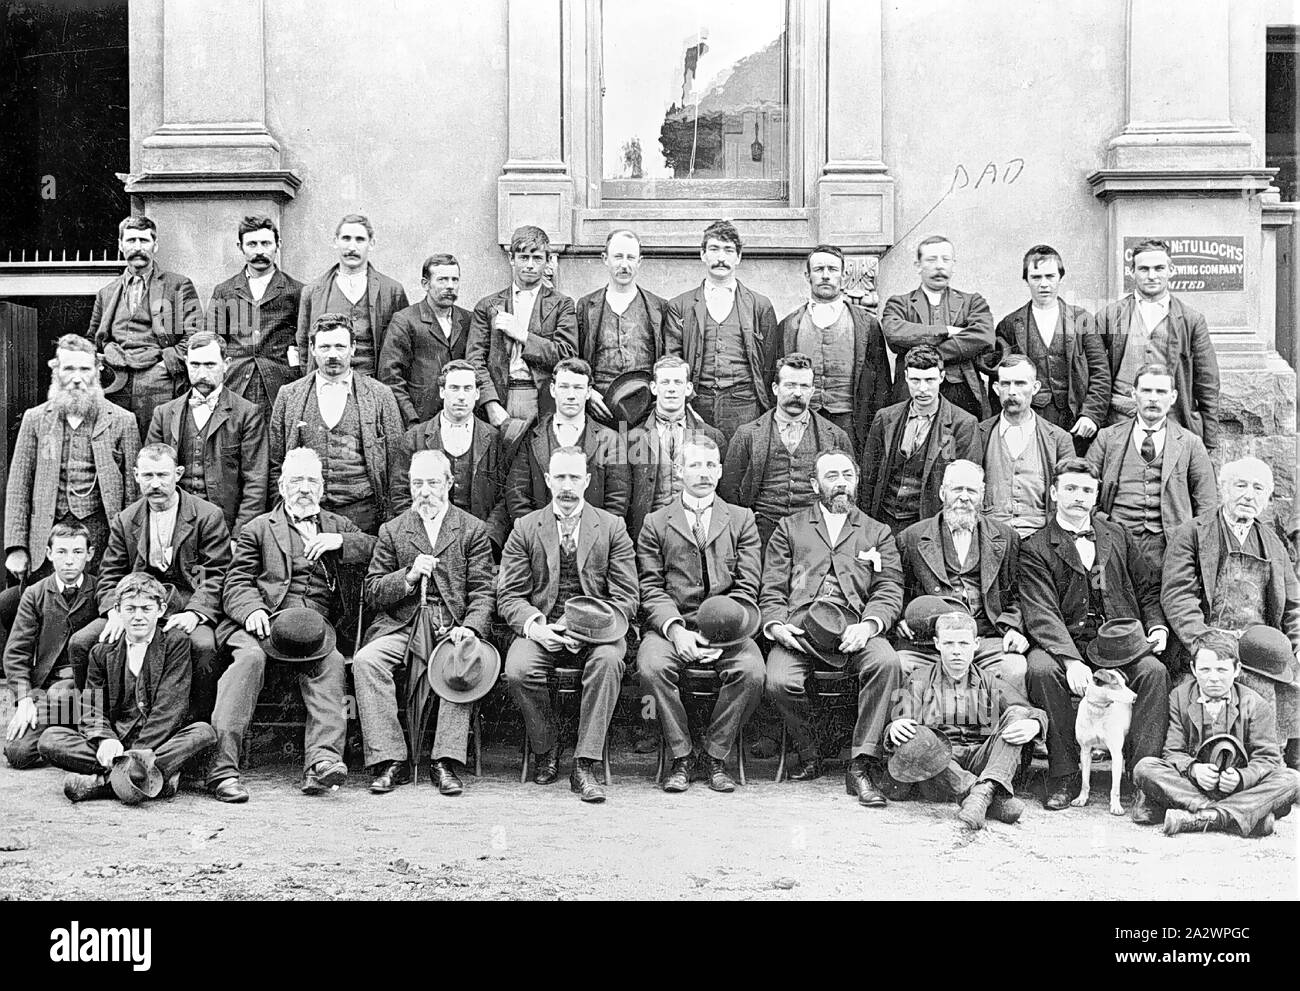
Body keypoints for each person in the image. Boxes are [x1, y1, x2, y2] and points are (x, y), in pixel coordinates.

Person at [207, 448, 377, 802]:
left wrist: (342, 541)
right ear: (282, 486)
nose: (304, 488)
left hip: (315, 634)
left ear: (323, 487)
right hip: (263, 625)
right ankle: (222, 770)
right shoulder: (259, 528)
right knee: (249, 660)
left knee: (330, 665)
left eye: (312, 480)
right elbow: (236, 583)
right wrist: (251, 609)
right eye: (296, 480)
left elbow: (377, 548)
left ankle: (322, 764)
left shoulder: (336, 525)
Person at [1020, 458, 1171, 817]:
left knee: (1153, 672)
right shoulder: (1036, 547)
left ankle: (1142, 779)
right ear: (1054, 493)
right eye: (1070, 489)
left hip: (1118, 642)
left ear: (1096, 496)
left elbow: (1148, 587)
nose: (1079, 497)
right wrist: (1070, 660)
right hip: (1065, 642)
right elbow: (1041, 611)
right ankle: (1064, 775)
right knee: (1042, 671)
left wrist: (1157, 626)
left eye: (1087, 490)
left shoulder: (1116, 535)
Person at [497, 446, 639, 803]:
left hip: (600, 629)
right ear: (547, 480)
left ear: (588, 481)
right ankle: (547, 748)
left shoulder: (612, 527)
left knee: (607, 663)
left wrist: (584, 630)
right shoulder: (525, 528)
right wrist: (537, 627)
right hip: (545, 625)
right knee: (519, 668)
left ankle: (584, 763)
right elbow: (509, 596)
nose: (567, 485)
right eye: (559, 476)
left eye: (575, 476)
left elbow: (626, 596)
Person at [761, 449, 903, 803]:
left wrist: (870, 625)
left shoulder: (877, 531)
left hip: (854, 629)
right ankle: (811, 752)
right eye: (831, 476)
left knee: (886, 663)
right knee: (779, 681)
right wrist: (777, 626)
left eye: (847, 476)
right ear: (814, 484)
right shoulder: (789, 528)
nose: (841, 484)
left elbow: (889, 588)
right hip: (801, 631)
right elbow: (772, 587)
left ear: (856, 481)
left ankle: (860, 766)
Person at [353, 450, 497, 796]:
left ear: (449, 483)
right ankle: (390, 760)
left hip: (451, 626)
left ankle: (444, 761)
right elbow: (372, 590)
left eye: (433, 482)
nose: (425, 491)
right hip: (402, 624)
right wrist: (409, 575)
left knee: (462, 659)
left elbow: (482, 591)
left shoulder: (471, 530)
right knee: (366, 662)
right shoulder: (394, 530)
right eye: (418, 483)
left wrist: (472, 628)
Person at [636, 433, 765, 793]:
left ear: (721, 470)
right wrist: (677, 631)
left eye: (711, 465)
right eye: (694, 464)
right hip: (673, 625)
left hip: (729, 629)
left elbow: (747, 585)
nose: (703, 472)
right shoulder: (656, 522)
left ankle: (715, 754)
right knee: (651, 667)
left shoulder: (741, 520)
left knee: (752, 671)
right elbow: (650, 587)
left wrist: (721, 633)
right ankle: (681, 755)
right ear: (678, 470)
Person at [70, 443, 230, 721]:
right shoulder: (126, 519)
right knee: (81, 643)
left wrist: (196, 612)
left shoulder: (207, 516)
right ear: (135, 476)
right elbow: (110, 574)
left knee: (204, 647)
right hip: (135, 606)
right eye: (148, 476)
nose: (155, 484)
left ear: (178, 474)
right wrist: (115, 612)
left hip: (184, 605)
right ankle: (99, 723)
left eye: (162, 475)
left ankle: (194, 724)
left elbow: (212, 573)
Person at [1161, 457, 1300, 767]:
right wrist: (1203, 642)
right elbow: (1177, 594)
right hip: (1207, 642)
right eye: (1240, 485)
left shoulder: (1273, 544)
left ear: (1267, 497)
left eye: (1258, 488)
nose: (1248, 495)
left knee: (1285, 681)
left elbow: (1293, 605)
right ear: (1223, 489)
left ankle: (1278, 766)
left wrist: (1297, 645)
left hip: (1259, 648)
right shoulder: (1193, 533)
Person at [1, 336, 140, 647]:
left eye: (84, 369)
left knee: (94, 617)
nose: (77, 377)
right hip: (46, 537)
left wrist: (131, 551)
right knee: (43, 617)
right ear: (56, 371)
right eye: (69, 369)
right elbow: (19, 486)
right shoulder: (36, 419)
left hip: (102, 536)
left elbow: (134, 496)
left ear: (97, 371)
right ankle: (45, 682)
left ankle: (82, 681)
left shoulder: (122, 421)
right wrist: (16, 548)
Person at [38, 573, 216, 803]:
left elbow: (170, 707)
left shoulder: (175, 643)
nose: (138, 617)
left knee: (204, 733)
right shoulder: (102, 652)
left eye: (146, 609)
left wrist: (137, 752)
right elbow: (92, 709)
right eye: (130, 609)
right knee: (50, 739)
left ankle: (103, 784)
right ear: (118, 610)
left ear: (161, 610)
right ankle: (150, 780)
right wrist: (105, 739)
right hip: (118, 743)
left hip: (157, 742)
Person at [883, 612, 1046, 830]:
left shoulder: (989, 681)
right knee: (914, 736)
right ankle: (986, 795)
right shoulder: (919, 679)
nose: (957, 651)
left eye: (963, 643)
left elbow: (1029, 711)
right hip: (940, 767)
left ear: (976, 644)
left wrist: (1034, 724)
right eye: (949, 643)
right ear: (937, 644)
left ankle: (982, 791)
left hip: (983, 760)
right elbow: (901, 723)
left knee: (1018, 715)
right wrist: (896, 726)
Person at [1134, 632, 1299, 837]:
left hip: (1239, 789)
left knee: (1292, 779)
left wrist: (1241, 777)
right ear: (1193, 669)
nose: (1213, 678)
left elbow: (1268, 759)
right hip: (1194, 788)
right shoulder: (1179, 697)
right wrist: (1194, 770)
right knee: (1145, 767)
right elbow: (1173, 751)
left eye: (1222, 670)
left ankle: (1204, 817)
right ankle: (1239, 815)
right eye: (1205, 670)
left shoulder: (1256, 704)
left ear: (1237, 670)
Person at [895, 460, 1029, 687]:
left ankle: (1007, 723)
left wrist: (1014, 628)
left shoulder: (1006, 538)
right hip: (928, 643)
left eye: (972, 491)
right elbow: (899, 589)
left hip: (986, 640)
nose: (964, 497)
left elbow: (1018, 594)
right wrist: (901, 619)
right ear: (942, 492)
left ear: (982, 495)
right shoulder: (911, 538)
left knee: (1014, 668)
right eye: (957, 489)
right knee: (899, 665)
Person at [270, 313, 405, 534]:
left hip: (364, 514)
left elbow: (397, 464)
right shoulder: (289, 395)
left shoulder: (380, 395)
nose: (333, 355)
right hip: (306, 513)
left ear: (353, 348)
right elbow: (276, 463)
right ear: (312, 348)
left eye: (340, 347)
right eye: (325, 347)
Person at [1085, 362, 1216, 568]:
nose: (1153, 398)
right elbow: (1085, 487)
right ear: (1133, 394)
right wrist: (1103, 521)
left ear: (1172, 398)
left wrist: (1193, 544)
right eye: (1146, 390)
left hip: (1168, 545)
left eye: (1161, 391)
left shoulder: (1190, 444)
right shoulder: (1108, 438)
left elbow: (1206, 504)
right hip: (1115, 539)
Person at [1096, 238, 1220, 451]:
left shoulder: (1190, 320)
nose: (1151, 276)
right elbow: (1094, 372)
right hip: (1119, 418)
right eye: (1144, 269)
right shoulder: (1110, 316)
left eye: (1159, 268)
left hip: (1171, 420)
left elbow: (1207, 381)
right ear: (1132, 272)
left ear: (1171, 270)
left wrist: (1209, 437)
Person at [719, 353, 851, 549]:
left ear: (812, 390)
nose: (797, 393)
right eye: (790, 385)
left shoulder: (835, 436)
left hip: (817, 533)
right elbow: (729, 493)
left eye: (804, 386)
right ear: (775, 388)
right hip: (761, 533)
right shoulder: (747, 435)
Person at [88, 215, 203, 437]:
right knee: (116, 444)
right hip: (115, 380)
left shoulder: (177, 285)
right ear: (121, 245)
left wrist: (165, 367)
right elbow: (94, 337)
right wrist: (104, 356)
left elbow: (195, 334)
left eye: (144, 240)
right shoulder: (107, 292)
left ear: (155, 245)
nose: (138, 247)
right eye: (131, 241)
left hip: (159, 381)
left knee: (158, 444)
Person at [665, 220, 778, 446]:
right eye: (714, 249)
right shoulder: (681, 305)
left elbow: (770, 361)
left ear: (738, 257)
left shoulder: (759, 305)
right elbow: (673, 359)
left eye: (728, 250)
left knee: (739, 469)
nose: (721, 258)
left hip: (744, 404)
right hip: (697, 403)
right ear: (702, 254)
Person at [146, 331, 269, 540]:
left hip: (224, 529)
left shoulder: (247, 414)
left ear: (226, 363)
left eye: (210, 365)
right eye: (195, 365)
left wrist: (239, 538)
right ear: (185, 363)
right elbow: (150, 475)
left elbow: (255, 484)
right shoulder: (164, 414)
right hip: (173, 527)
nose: (202, 373)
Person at [986, 244, 1109, 449]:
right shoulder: (1010, 324)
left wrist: (1091, 415)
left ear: (1060, 277)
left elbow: (1101, 373)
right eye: (1036, 277)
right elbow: (1000, 380)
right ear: (1026, 280)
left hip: (1075, 420)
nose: (1044, 284)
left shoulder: (1082, 319)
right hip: (1030, 420)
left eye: (1050, 276)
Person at [772, 244, 892, 451]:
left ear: (843, 276)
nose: (825, 276)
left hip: (851, 424)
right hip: (802, 420)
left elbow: (881, 385)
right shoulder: (789, 325)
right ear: (807, 276)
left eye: (832, 269)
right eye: (818, 270)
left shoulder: (867, 325)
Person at [466, 225, 577, 440]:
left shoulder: (562, 304)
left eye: (537, 258)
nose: (529, 265)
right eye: (523, 257)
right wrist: (490, 403)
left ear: (547, 261)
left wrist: (522, 334)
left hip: (543, 399)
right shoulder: (488, 305)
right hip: (500, 397)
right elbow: (474, 360)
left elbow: (567, 355)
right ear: (511, 259)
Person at [2, 523, 99, 768]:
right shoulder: (35, 594)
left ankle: (70, 731)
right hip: (46, 689)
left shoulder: (99, 591)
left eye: (77, 552)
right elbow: (16, 653)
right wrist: (24, 700)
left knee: (63, 694)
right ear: (48, 553)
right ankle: (65, 731)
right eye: (61, 552)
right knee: (18, 753)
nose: (69, 561)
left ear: (90, 554)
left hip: (88, 690)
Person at [391, 359, 510, 555]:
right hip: (426, 544)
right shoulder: (416, 438)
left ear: (478, 393)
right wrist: (423, 538)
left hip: (478, 545)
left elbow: (504, 498)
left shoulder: (494, 439)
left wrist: (485, 540)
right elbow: (399, 495)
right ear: (442, 392)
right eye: (454, 388)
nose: (461, 396)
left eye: (468, 388)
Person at [859, 344, 980, 535]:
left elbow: (966, 485)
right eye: (915, 380)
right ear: (906, 377)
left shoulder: (963, 424)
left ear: (941, 377)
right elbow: (868, 477)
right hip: (884, 520)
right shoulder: (885, 417)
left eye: (930, 380)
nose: (922, 389)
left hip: (929, 524)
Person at [881, 235, 995, 420]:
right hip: (913, 394)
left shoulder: (972, 302)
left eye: (945, 259)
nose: (939, 266)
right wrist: (947, 331)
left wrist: (924, 354)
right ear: (918, 265)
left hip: (962, 393)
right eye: (931, 259)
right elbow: (895, 333)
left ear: (953, 265)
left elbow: (984, 336)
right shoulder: (899, 304)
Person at [503, 357, 630, 520]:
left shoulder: (610, 440)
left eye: (578, 388)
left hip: (593, 538)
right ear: (552, 389)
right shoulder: (532, 436)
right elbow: (517, 497)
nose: (571, 395)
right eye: (564, 387)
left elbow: (617, 502)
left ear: (589, 392)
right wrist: (539, 537)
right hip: (540, 538)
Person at [204, 215, 305, 419]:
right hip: (236, 383)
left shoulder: (297, 291)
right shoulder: (224, 291)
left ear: (278, 245)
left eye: (266, 243)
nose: (259, 251)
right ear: (240, 246)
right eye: (252, 244)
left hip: (279, 385)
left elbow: (304, 341)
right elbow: (213, 342)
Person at [296, 213, 409, 378]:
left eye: (360, 240)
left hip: (376, 385)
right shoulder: (313, 291)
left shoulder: (392, 290)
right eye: (346, 238)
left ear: (371, 244)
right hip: (328, 382)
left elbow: (402, 346)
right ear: (335, 241)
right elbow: (304, 345)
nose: (352, 247)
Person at [575, 229, 671, 422]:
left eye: (630, 257)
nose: (624, 265)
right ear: (605, 258)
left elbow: (668, 359)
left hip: (647, 410)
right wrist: (588, 392)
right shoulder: (587, 306)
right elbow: (575, 359)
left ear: (639, 261)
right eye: (618, 257)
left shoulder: (658, 307)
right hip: (598, 410)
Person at [625, 354, 723, 542]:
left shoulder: (711, 436)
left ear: (688, 388)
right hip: (650, 534)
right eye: (665, 382)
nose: (671, 389)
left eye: (678, 382)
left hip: (695, 533)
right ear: (654, 388)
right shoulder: (631, 439)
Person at [977, 353, 1075, 539]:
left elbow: (1068, 495)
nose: (1012, 391)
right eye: (1005, 384)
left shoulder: (1059, 439)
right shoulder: (980, 433)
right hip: (990, 538)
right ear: (996, 389)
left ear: (1035, 387)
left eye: (1020, 383)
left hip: (1041, 541)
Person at [378, 252, 473, 427]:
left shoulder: (468, 319)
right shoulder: (405, 320)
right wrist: (411, 420)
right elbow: (390, 376)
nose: (450, 286)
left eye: (455, 280)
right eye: (442, 280)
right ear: (425, 284)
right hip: (421, 420)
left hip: (461, 420)